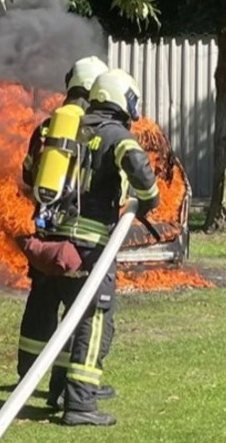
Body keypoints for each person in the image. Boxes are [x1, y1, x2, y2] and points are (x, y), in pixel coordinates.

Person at [46, 68, 160, 427]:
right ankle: (80, 404)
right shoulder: (115, 134)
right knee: (95, 320)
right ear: (121, 98)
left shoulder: (74, 128)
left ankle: (61, 390)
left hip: (60, 238)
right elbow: (140, 168)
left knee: (72, 317)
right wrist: (150, 199)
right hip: (93, 244)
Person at [18, 56, 110, 409]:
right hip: (79, 239)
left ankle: (27, 379)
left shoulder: (45, 127)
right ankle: (64, 388)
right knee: (78, 315)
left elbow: (28, 176)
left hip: (44, 236)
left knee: (41, 305)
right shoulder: (94, 129)